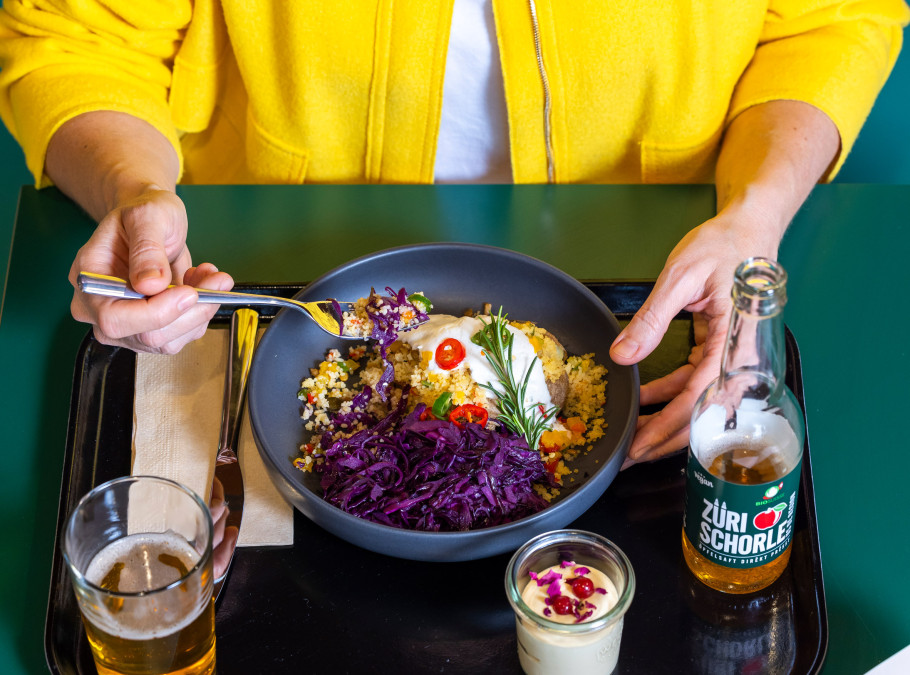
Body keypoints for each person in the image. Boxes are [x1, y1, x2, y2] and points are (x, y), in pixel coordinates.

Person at [0, 0, 907, 473]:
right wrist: (133, 186)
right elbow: (78, 40)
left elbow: (828, 21)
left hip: (665, 271)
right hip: (263, 275)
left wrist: (754, 213)